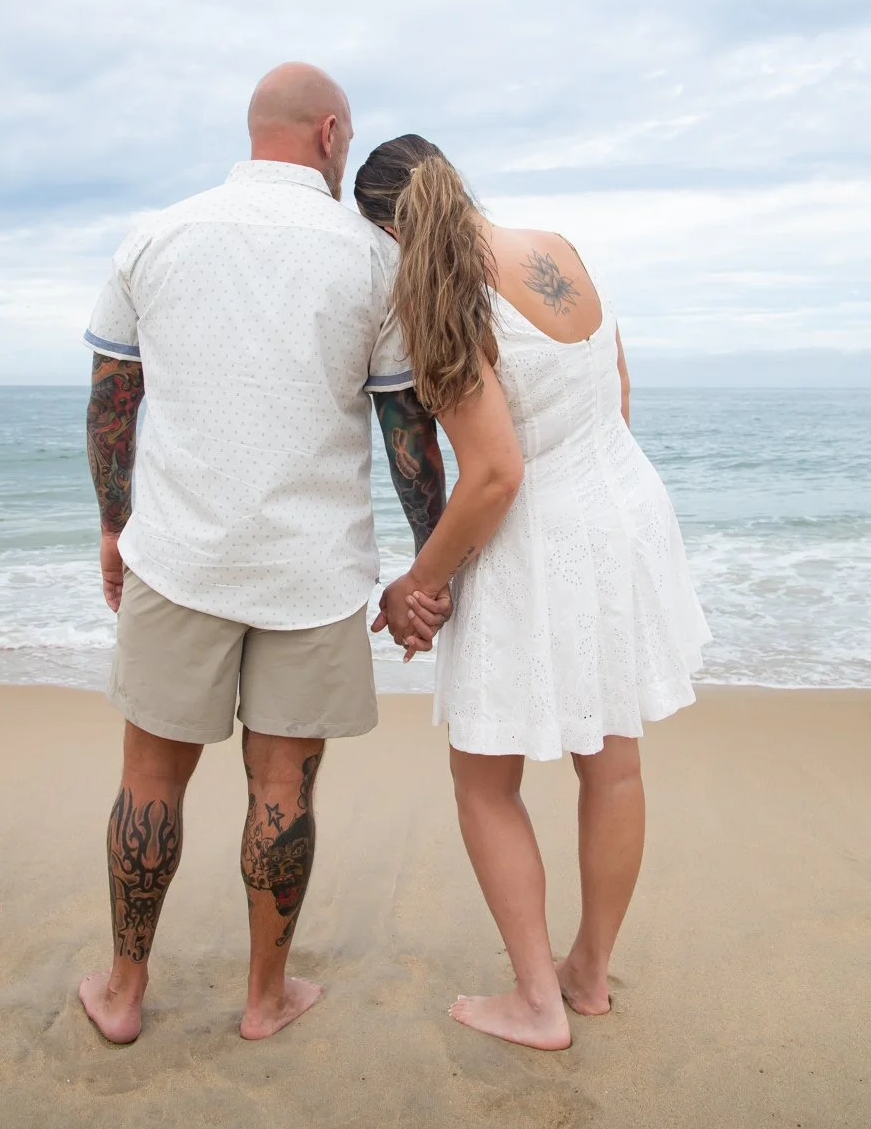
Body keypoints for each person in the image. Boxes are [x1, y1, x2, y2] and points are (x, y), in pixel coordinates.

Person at [78, 64, 517, 1046]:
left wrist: (115, 525)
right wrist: (424, 574)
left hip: (179, 555)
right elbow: (411, 435)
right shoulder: (368, 259)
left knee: (150, 781)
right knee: (283, 790)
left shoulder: (155, 236)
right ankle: (264, 999)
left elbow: (112, 402)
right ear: (328, 134)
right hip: (312, 574)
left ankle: (122, 989)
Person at [356, 135, 712, 1052]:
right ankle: (587, 974)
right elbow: (618, 390)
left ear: (389, 232)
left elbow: (494, 476)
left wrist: (415, 587)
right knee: (614, 760)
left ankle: (536, 1002)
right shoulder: (561, 246)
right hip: (626, 509)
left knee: (484, 777)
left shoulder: (446, 306)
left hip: (540, 532)